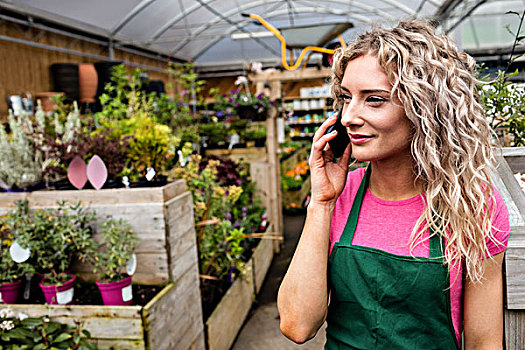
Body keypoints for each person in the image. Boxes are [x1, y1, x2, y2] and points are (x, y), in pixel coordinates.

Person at [277, 19, 510, 349]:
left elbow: (483, 343)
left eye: (373, 99)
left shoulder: (473, 205)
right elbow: (297, 325)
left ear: (424, 109)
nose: (348, 117)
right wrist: (322, 203)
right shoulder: (340, 196)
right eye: (346, 97)